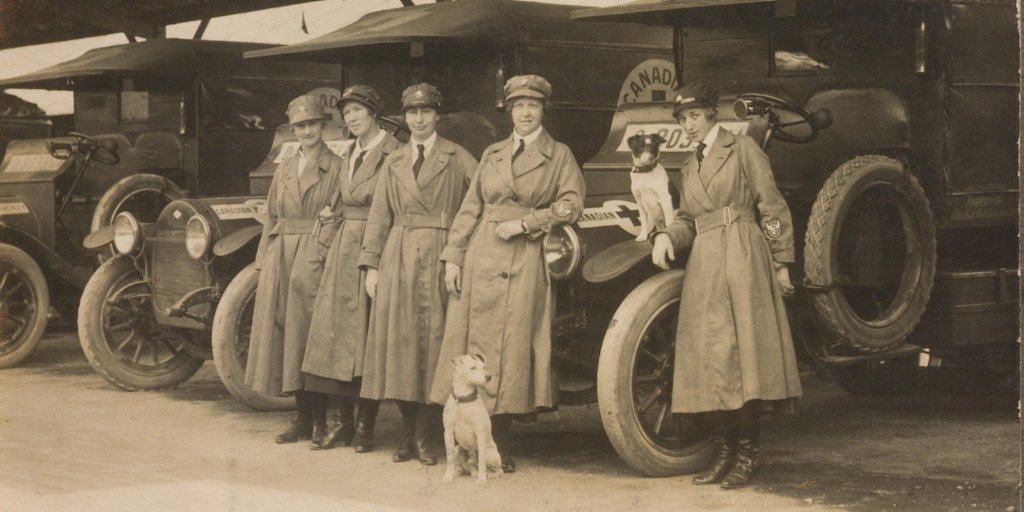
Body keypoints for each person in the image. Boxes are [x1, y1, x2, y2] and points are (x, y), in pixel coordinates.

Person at [428, 75, 585, 472]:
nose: (526, 112)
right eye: (518, 106)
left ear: (542, 110)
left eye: (533, 105)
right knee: (473, 345)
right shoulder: (493, 153)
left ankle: (499, 443)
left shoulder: (559, 154)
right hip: (482, 254)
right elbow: (470, 208)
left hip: (525, 257)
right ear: (510, 111)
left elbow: (571, 205)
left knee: (510, 350)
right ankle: (465, 440)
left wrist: (529, 222)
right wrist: (453, 256)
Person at [650, 83, 802, 489]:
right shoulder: (687, 166)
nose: (690, 125)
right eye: (683, 120)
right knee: (713, 361)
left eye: (695, 116)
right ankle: (723, 453)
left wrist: (781, 260)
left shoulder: (744, 149)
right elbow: (686, 218)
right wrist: (666, 235)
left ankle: (748, 455)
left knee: (746, 359)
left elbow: (770, 205)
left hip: (743, 254)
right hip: (705, 262)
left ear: (711, 115)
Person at [359, 83, 478, 465]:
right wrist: (371, 265)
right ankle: (407, 435)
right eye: (412, 113)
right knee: (402, 348)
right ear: (405, 117)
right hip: (398, 256)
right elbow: (379, 216)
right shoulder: (393, 161)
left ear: (437, 115)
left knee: (435, 349)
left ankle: (427, 436)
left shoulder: (458, 157)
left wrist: (459, 253)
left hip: (441, 259)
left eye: (426, 112)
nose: (419, 119)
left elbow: (479, 203)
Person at [301, 85, 402, 452]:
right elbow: (339, 197)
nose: (352, 118)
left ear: (374, 112)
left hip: (379, 248)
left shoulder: (395, 152)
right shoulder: (349, 154)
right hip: (344, 248)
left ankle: (365, 427)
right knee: (335, 336)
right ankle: (342, 424)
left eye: (358, 110)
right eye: (347, 113)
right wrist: (332, 211)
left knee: (368, 340)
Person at [244, 95, 345, 445]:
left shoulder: (337, 167)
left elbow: (340, 214)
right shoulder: (284, 168)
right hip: (283, 255)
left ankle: (320, 420)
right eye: (300, 126)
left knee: (311, 338)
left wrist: (323, 250)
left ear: (324, 127)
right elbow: (271, 215)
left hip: (315, 255)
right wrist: (265, 259)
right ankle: (301, 419)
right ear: (293, 130)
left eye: (313, 125)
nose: (307, 132)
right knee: (287, 337)